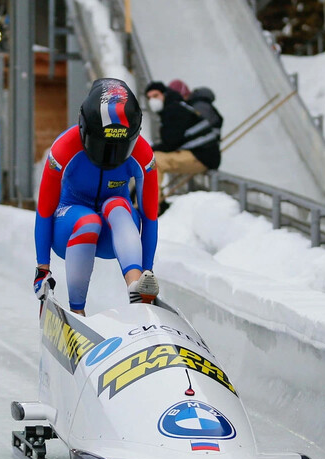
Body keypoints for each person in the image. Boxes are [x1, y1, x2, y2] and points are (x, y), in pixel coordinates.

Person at [34, 78, 160, 316]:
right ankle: (77, 311)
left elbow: (150, 216)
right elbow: (45, 210)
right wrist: (43, 268)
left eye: (119, 147)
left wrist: (147, 270)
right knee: (89, 220)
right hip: (70, 227)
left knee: (118, 204)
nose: (110, 155)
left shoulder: (144, 155)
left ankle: (137, 286)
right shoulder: (64, 148)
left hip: (115, 234)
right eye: (103, 145)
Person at [143, 81, 220, 175]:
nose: (152, 101)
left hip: (203, 156)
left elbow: (171, 143)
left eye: (155, 96)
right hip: (200, 154)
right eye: (149, 98)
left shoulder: (174, 110)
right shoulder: (175, 107)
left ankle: (148, 190)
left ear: (165, 94)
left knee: (154, 162)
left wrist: (149, 150)